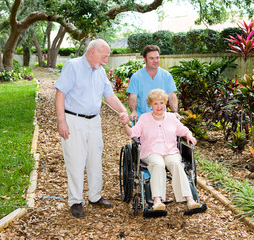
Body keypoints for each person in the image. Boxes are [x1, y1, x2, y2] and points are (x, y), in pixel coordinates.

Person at [55, 39, 129, 218]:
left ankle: (95, 196)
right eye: (104, 56)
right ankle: (76, 201)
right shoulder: (72, 66)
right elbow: (60, 94)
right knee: (75, 161)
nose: (106, 60)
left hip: (94, 121)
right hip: (74, 120)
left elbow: (109, 96)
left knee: (95, 159)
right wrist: (61, 121)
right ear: (92, 52)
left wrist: (122, 110)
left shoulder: (101, 72)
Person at [119, 89, 200, 211]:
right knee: (158, 164)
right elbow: (132, 133)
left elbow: (183, 130)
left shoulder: (172, 118)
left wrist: (189, 135)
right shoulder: (144, 118)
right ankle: (157, 201)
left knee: (176, 163)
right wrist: (125, 124)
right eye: (155, 103)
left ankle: (189, 199)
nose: (159, 106)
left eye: (162, 103)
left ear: (165, 103)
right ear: (150, 105)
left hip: (170, 151)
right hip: (151, 152)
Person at [127, 45, 180, 120]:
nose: (155, 61)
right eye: (151, 58)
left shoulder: (166, 76)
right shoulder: (136, 77)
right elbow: (133, 97)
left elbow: (172, 95)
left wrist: (175, 111)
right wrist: (133, 111)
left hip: (161, 119)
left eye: (157, 58)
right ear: (145, 60)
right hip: (142, 118)